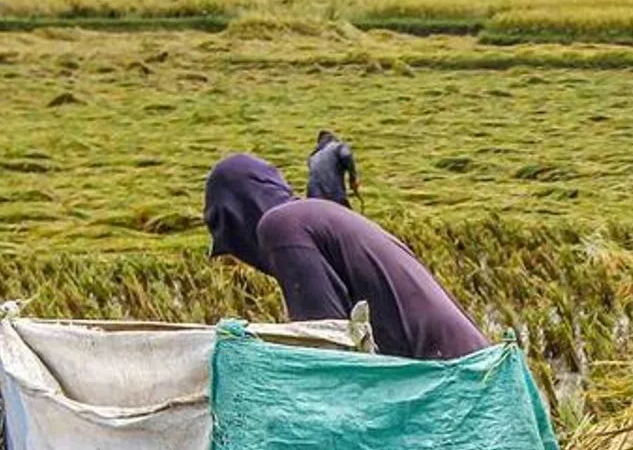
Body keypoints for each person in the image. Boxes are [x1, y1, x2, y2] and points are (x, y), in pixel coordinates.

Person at [202, 153, 487, 360]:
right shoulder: (317, 216)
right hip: (468, 361)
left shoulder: (281, 225)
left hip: (446, 369)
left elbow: (325, 342)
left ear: (237, 219)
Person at [306, 130, 361, 208]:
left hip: (313, 199)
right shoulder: (337, 146)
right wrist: (352, 179)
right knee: (346, 218)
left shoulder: (313, 156)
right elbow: (346, 155)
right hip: (334, 195)